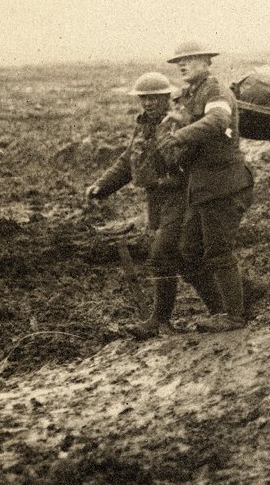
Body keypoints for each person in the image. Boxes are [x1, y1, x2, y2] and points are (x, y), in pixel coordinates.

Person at [86, 72, 218, 337]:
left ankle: (160, 320)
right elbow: (130, 160)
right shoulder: (144, 125)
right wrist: (103, 185)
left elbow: (192, 158)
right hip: (157, 200)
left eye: (154, 98)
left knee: (161, 254)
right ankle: (221, 308)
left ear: (167, 97)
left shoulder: (179, 122)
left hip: (182, 197)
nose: (148, 103)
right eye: (143, 98)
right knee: (182, 259)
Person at [156, 41, 255, 333]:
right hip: (204, 188)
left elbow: (218, 119)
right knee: (189, 251)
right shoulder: (192, 94)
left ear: (206, 62)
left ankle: (235, 316)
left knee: (218, 251)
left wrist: (181, 135)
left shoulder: (214, 90)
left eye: (189, 60)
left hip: (224, 185)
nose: (182, 65)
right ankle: (223, 308)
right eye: (179, 62)